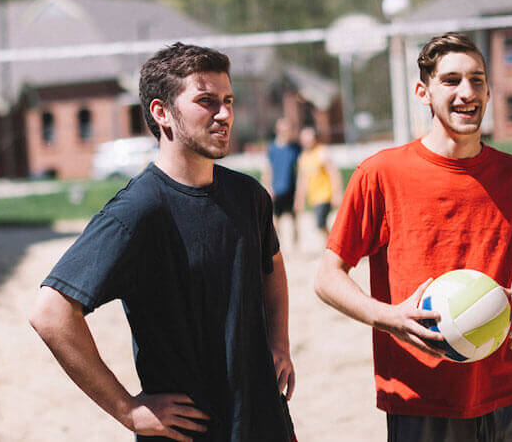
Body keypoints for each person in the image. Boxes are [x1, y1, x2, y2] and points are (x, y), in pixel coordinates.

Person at [29, 43, 296, 442]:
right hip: (190, 433)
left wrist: (279, 341)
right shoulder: (137, 212)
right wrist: (129, 410)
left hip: (265, 423)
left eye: (228, 100)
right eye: (206, 101)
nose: (224, 114)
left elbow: (270, 270)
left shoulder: (248, 196)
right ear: (162, 112)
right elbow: (51, 314)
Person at [314, 32, 512, 441]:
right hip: (420, 401)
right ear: (423, 91)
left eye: (477, 79)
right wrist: (390, 317)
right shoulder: (380, 174)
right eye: (450, 80)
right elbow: (327, 278)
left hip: (508, 399)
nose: (467, 92)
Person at [294, 125, 341, 235]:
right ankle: (330, 244)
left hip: (325, 195)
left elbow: (333, 173)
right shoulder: (303, 157)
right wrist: (299, 199)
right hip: (313, 197)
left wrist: (337, 193)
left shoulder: (321, 152)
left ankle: (331, 246)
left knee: (320, 223)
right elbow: (302, 180)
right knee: (320, 224)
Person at [263, 118, 301, 246]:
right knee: (275, 219)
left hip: (291, 187)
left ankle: (295, 245)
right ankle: (278, 246)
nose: (286, 132)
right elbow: (268, 169)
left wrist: (299, 193)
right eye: (283, 129)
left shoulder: (295, 148)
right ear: (277, 131)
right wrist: (267, 187)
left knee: (294, 219)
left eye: (288, 129)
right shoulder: (272, 148)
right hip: (276, 188)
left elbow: (300, 169)